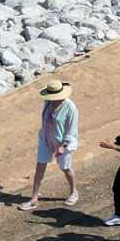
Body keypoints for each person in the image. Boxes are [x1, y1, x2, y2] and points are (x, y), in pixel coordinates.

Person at [17, 78, 79, 211]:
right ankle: (34, 198)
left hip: (63, 143)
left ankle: (74, 191)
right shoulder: (48, 102)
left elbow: (71, 130)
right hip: (46, 138)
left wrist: (63, 146)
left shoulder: (70, 108)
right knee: (40, 168)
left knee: (65, 168)